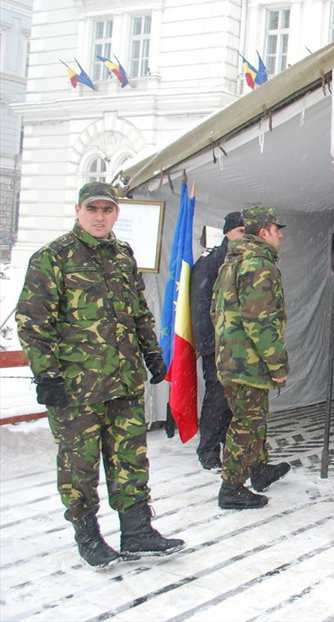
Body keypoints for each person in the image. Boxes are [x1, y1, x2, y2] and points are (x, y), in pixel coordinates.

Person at [15, 182, 184, 568]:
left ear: (116, 214)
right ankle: (88, 536)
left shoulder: (123, 254)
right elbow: (32, 323)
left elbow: (138, 312)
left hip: (124, 382)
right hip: (77, 389)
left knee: (131, 460)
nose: (99, 217)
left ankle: (138, 531)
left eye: (107, 210)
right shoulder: (52, 258)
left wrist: (153, 356)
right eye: (93, 209)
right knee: (80, 466)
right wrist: (47, 376)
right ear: (78, 211)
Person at [212, 206, 291, 510]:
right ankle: (231, 487)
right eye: (276, 229)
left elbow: (215, 310)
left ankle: (258, 470)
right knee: (246, 423)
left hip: (232, 358)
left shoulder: (232, 262)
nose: (280, 235)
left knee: (252, 418)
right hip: (248, 361)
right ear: (263, 233)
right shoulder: (259, 265)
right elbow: (260, 322)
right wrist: (277, 364)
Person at [190, 211, 244, 470]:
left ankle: (230, 445)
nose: (244, 237)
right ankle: (208, 449)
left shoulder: (246, 261)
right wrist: (208, 345)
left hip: (240, 347)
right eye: (240, 232)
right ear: (227, 232)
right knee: (217, 398)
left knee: (237, 399)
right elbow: (199, 307)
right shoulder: (211, 262)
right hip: (217, 344)